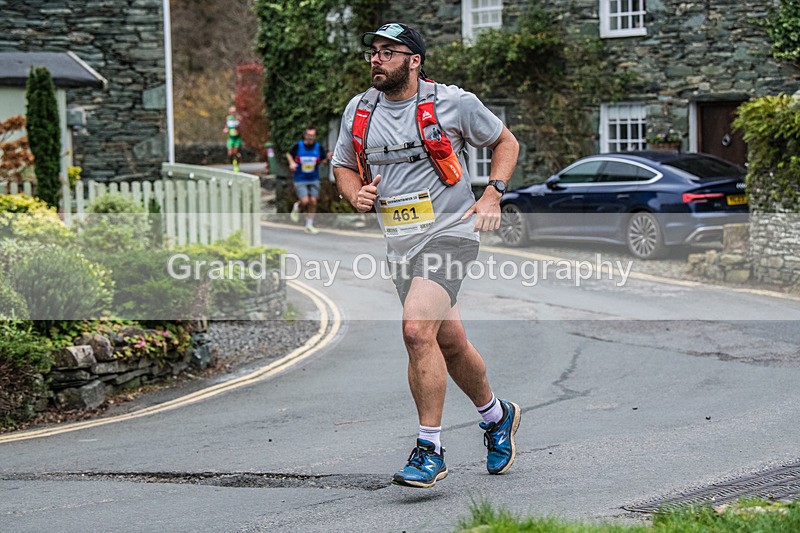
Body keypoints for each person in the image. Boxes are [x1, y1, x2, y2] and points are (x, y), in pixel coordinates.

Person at [332, 22, 521, 488]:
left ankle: (429, 449)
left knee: (416, 330)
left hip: (452, 235)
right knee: (448, 343)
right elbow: (342, 164)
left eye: (389, 52)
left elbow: (505, 142)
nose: (377, 59)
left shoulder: (452, 103)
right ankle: (498, 416)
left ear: (414, 61)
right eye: (373, 52)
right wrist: (354, 193)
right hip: (400, 244)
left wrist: (493, 193)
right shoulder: (359, 111)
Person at [286, 126, 332, 234]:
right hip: (300, 179)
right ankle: (298, 205)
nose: (311, 138)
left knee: (313, 201)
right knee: (305, 201)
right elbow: (288, 154)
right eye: (309, 135)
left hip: (314, 178)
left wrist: (328, 158)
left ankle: (309, 224)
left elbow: (323, 160)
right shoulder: (298, 146)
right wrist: (291, 163)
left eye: (313, 136)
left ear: (315, 137)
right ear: (305, 135)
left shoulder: (318, 147)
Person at [223, 105, 242, 172]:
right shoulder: (228, 118)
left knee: (236, 152)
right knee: (230, 153)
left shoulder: (238, 118)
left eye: (234, 112)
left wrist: (238, 127)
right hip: (231, 138)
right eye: (231, 112)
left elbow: (241, 127)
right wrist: (226, 129)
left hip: (237, 138)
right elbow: (227, 126)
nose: (233, 113)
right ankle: (234, 162)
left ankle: (237, 165)